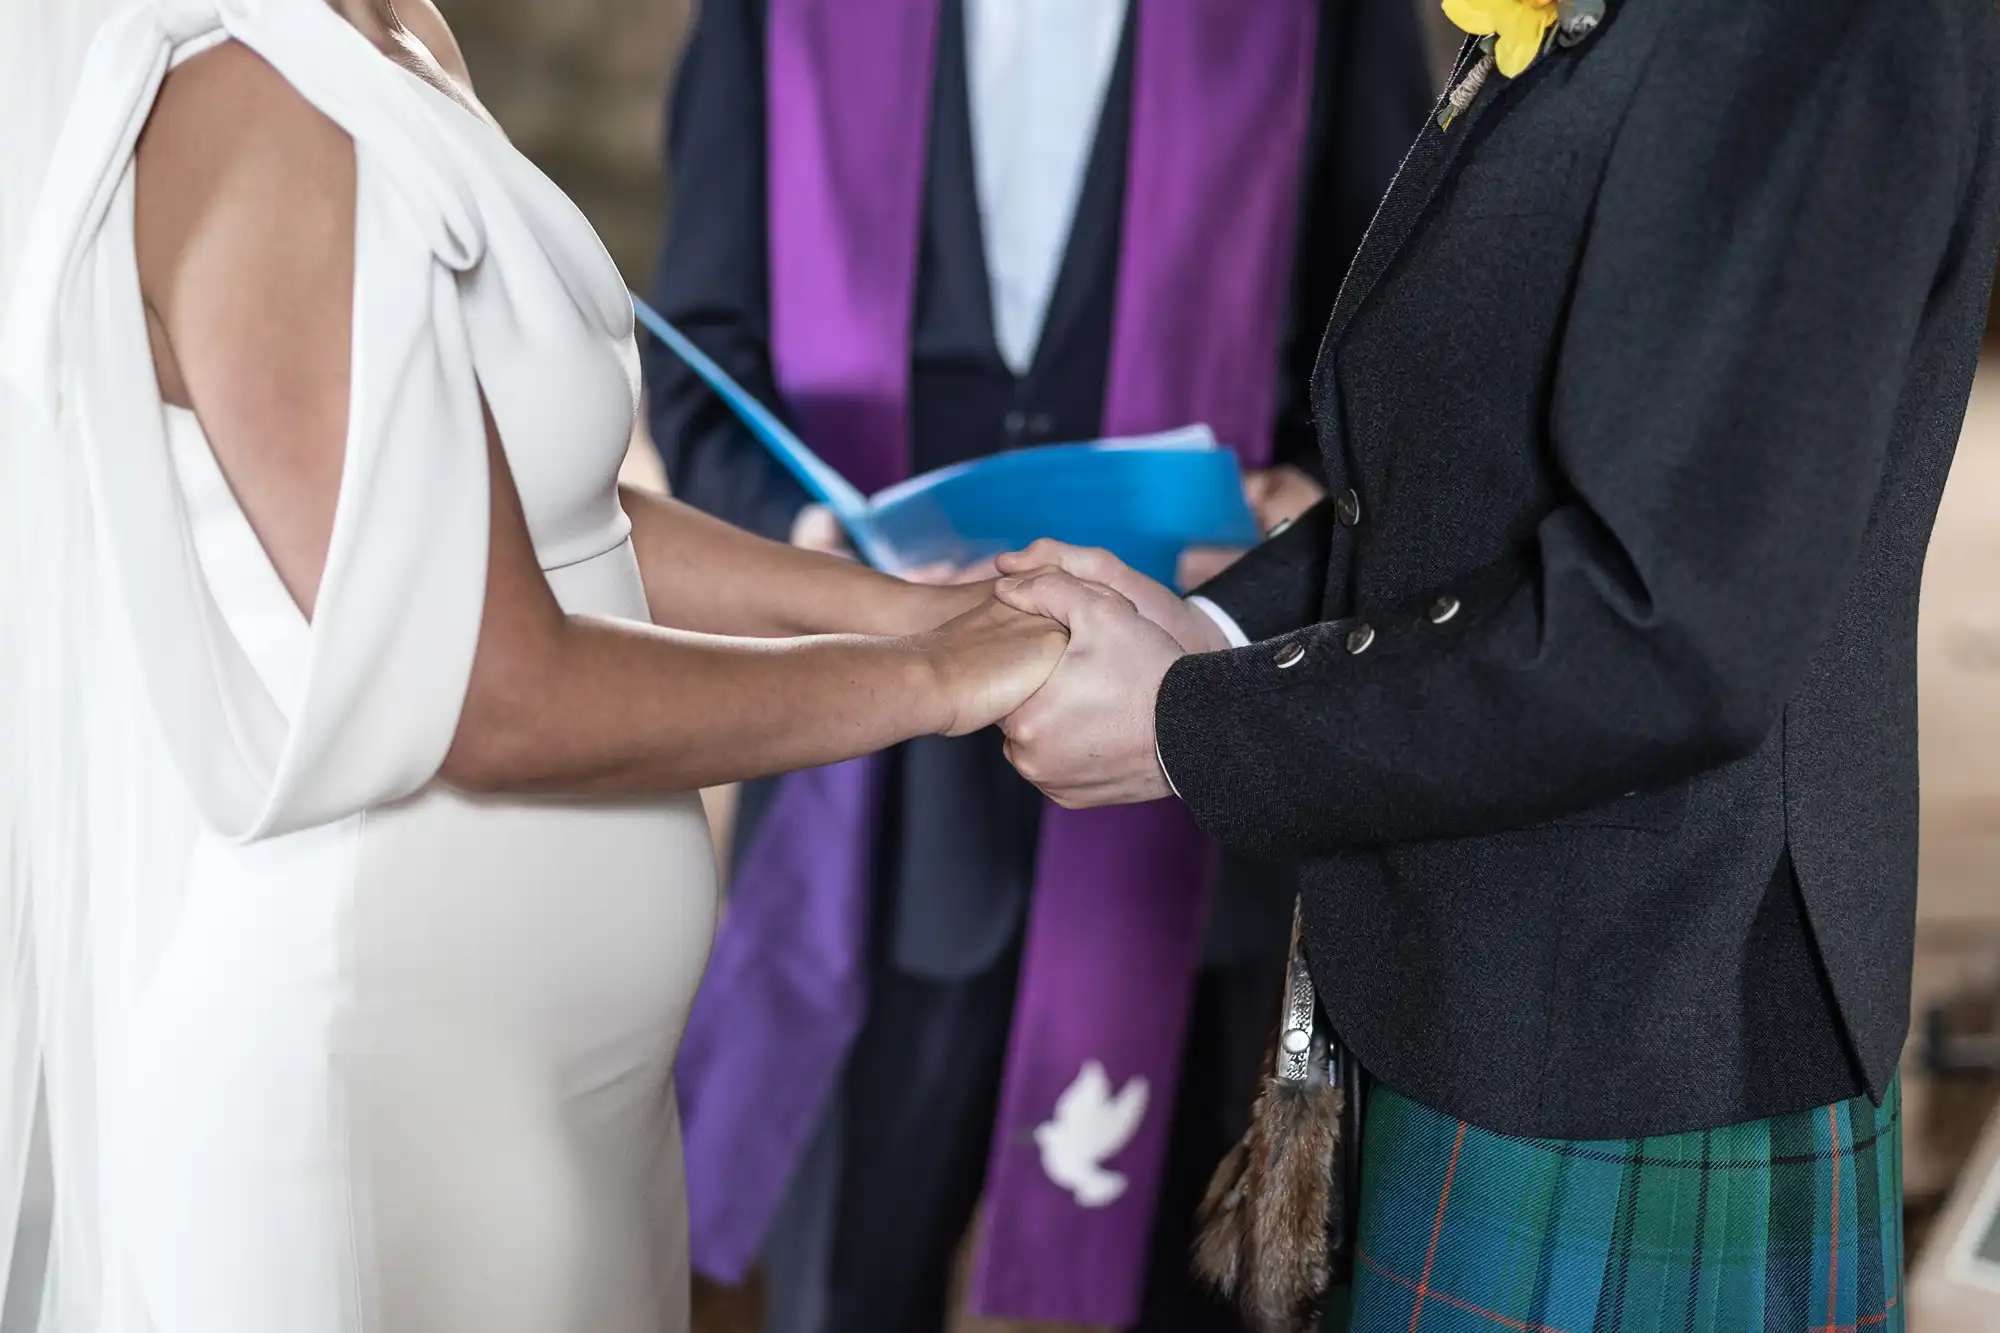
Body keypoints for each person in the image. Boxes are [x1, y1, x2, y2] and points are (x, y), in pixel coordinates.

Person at [0, 1, 1070, 1330]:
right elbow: (487, 692)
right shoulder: (244, 102)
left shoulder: (391, 34)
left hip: (552, 1082)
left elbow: (551, 509)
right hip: (386, 1078)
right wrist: (935, 686)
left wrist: (907, 611)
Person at [986, 0, 2000, 1329]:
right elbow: (1491, 480)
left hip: (1638, 1022)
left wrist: (1200, 728)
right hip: (1495, 985)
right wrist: (1216, 632)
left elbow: (1669, 631)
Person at [639, 1, 1430, 1329]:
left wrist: (1309, 498)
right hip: (873, 805)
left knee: (1188, 1280)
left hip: (1182, 758)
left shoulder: (1322, 15)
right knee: (843, 1278)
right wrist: (834, 553)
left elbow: (1395, 327)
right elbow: (704, 356)